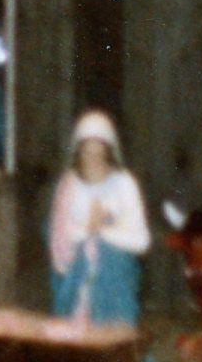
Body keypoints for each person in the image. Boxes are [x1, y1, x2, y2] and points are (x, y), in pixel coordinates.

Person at [48, 113, 150, 326]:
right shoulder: (68, 186)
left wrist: (100, 231)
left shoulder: (124, 183)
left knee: (108, 256)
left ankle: (114, 327)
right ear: (78, 153)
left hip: (116, 273)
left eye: (99, 152)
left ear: (109, 153)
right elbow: (61, 246)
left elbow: (141, 242)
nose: (93, 160)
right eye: (87, 152)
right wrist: (89, 230)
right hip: (74, 274)